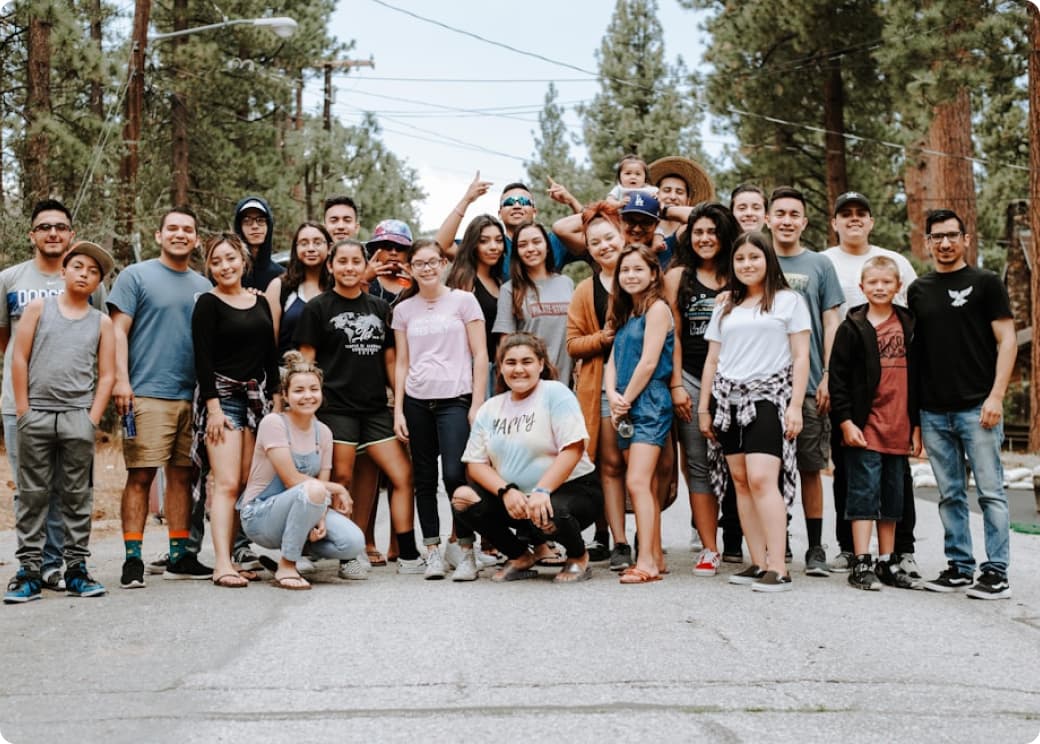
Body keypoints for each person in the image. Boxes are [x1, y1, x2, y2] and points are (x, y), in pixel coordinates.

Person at [294, 238, 422, 576]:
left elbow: (392, 362)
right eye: (343, 262)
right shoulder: (318, 308)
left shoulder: (380, 309)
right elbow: (305, 364)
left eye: (355, 262)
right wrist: (304, 412)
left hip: (376, 408)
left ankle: (407, 552)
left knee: (401, 474)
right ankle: (348, 553)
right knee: (343, 477)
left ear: (363, 265)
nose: (349, 268)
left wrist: (401, 405)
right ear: (331, 266)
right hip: (336, 408)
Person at [909, 209, 1017, 599]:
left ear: (966, 239)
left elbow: (1007, 341)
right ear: (928, 242)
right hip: (934, 410)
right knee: (950, 493)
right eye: (937, 236)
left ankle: (996, 572)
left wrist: (997, 396)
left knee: (991, 492)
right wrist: (916, 419)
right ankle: (959, 566)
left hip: (978, 408)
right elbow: (917, 355)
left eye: (952, 235)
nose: (945, 243)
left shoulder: (986, 283)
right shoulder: (919, 290)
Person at [0, 199, 106, 591]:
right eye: (44, 226)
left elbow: (94, 338)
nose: (52, 233)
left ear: (71, 235)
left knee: (69, 489)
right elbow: (10, 345)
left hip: (73, 408)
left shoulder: (88, 280)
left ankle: (55, 565)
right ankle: (31, 566)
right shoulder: (10, 279)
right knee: (32, 489)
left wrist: (92, 415)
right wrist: (25, 403)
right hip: (21, 406)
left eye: (60, 227)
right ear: (32, 234)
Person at [109, 207, 214, 588]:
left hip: (193, 396)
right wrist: (121, 380)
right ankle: (132, 559)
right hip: (148, 392)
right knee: (140, 475)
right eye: (172, 228)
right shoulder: (135, 276)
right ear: (159, 235)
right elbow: (117, 332)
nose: (180, 234)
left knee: (184, 477)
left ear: (197, 239)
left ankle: (179, 555)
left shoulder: (205, 285)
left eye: (188, 229)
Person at [700, 231, 810, 592]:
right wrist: (704, 407)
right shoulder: (725, 304)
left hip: (767, 399)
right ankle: (757, 560)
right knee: (742, 484)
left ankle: (779, 566)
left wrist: (795, 406)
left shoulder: (788, 301)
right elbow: (713, 358)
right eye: (740, 259)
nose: (747, 264)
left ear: (768, 260)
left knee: (763, 479)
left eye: (754, 257)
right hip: (728, 400)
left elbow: (800, 356)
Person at [451, 332, 602, 583]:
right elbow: (475, 465)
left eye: (527, 361)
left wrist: (543, 490)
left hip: (573, 491)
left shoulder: (555, 393)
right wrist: (506, 491)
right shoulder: (490, 408)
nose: (518, 369)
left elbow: (573, 448)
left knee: (549, 510)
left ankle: (578, 556)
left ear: (541, 364)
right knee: (463, 498)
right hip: (519, 499)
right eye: (511, 363)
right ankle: (520, 556)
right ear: (500, 368)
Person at [822, 191, 919, 577]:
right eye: (846, 214)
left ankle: (890, 557)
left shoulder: (908, 318)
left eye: (862, 213)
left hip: (898, 421)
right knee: (856, 484)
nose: (854, 219)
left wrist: (917, 423)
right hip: (861, 416)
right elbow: (840, 369)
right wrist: (843, 414)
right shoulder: (850, 318)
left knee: (893, 491)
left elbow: (920, 370)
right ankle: (856, 554)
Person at [392, 239, 488, 581]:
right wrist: (399, 411)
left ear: (444, 263)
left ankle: (465, 551)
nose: (428, 268)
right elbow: (402, 363)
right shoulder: (404, 310)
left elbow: (480, 355)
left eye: (433, 261)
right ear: (411, 268)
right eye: (419, 263)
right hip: (417, 401)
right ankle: (432, 551)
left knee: (454, 475)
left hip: (456, 399)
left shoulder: (464, 301)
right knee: (423, 479)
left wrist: (477, 404)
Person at [191, 234, 280, 588]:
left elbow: (269, 356)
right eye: (216, 261)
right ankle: (222, 564)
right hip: (222, 401)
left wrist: (277, 401)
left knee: (246, 483)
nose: (224, 266)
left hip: (256, 401)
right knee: (226, 484)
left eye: (230, 258)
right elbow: (202, 359)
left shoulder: (259, 302)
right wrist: (213, 410)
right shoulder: (207, 304)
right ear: (209, 267)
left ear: (243, 261)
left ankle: (235, 554)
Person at [238, 352, 365, 590]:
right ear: (285, 395)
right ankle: (287, 565)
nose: (308, 396)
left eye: (313, 389)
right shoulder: (274, 423)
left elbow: (321, 491)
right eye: (298, 390)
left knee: (353, 542)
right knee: (313, 489)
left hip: (304, 506)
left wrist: (321, 520)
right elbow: (291, 479)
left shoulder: (324, 433)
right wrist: (338, 488)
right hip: (261, 516)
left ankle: (300, 551)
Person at [766, 186, 844, 576]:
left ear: (804, 222)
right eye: (779, 213)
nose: (786, 220)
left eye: (794, 214)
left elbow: (831, 321)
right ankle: (776, 543)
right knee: (768, 469)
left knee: (811, 467)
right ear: (768, 218)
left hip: (810, 382)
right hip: (763, 384)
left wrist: (828, 374)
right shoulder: (755, 258)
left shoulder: (819, 265)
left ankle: (815, 547)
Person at [664, 202, 739, 577]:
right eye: (698, 232)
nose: (705, 239)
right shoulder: (678, 276)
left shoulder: (742, 273)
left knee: (740, 465)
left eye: (712, 231)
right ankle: (710, 548)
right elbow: (672, 334)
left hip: (738, 380)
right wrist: (676, 383)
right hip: (691, 378)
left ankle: (750, 542)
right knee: (698, 465)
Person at [605, 244, 675, 583]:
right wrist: (611, 394)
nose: (630, 275)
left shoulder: (657, 309)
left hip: (648, 403)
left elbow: (649, 362)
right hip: (626, 405)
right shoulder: (626, 311)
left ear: (652, 274)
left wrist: (625, 399)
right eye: (624, 270)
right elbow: (612, 360)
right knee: (641, 481)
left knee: (637, 481)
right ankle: (656, 555)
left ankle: (645, 561)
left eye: (637, 269)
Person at [566, 202, 629, 569]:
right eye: (595, 242)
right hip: (599, 388)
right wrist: (603, 338)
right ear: (587, 249)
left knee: (644, 465)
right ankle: (615, 538)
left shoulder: (642, 275)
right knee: (608, 463)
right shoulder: (585, 290)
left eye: (610, 237)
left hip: (643, 384)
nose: (604, 246)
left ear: (623, 236)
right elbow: (573, 344)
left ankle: (645, 535)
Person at [436, 176, 583, 275]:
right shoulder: (490, 247)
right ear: (500, 213)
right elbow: (442, 246)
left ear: (534, 212)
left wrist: (572, 201)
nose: (517, 205)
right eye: (509, 202)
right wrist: (466, 200)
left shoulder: (554, 242)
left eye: (524, 202)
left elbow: (594, 233)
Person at [492, 221, 575, 384]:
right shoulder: (509, 290)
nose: (531, 249)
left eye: (537, 242)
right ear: (517, 252)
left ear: (548, 246)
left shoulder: (566, 283)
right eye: (523, 245)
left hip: (566, 384)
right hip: (528, 384)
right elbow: (505, 344)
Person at [445, 214, 506, 399]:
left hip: (495, 369)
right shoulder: (465, 278)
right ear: (473, 244)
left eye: (498, 240)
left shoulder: (499, 281)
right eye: (484, 241)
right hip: (467, 368)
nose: (493, 247)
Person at [265, 222, 332, 355]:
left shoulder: (338, 286)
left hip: (333, 372)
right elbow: (268, 342)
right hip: (287, 371)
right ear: (295, 248)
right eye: (304, 243)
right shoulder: (279, 287)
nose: (311, 248)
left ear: (329, 247)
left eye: (317, 242)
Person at [233, 196, 284, 290]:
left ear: (269, 225)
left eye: (260, 220)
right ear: (239, 227)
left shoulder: (281, 276)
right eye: (247, 221)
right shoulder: (229, 273)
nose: (255, 226)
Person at [365, 219, 415, 303]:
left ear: (408, 253)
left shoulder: (414, 284)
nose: (393, 252)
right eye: (387, 246)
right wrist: (363, 281)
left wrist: (418, 287)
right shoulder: (362, 279)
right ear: (375, 250)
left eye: (400, 247)